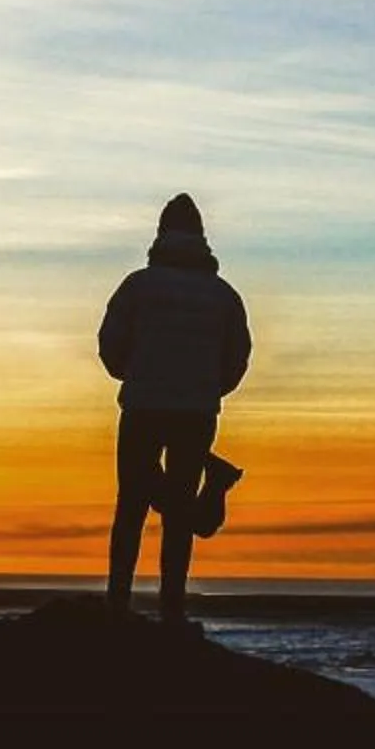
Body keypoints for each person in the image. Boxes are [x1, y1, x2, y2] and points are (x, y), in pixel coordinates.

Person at [97, 193, 252, 626]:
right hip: (196, 411)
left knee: (131, 506)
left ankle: (117, 603)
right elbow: (238, 356)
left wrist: (128, 372)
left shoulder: (137, 286)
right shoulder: (224, 295)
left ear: (161, 234)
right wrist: (211, 388)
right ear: (202, 236)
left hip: (144, 404)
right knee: (178, 513)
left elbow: (110, 343)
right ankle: (172, 607)